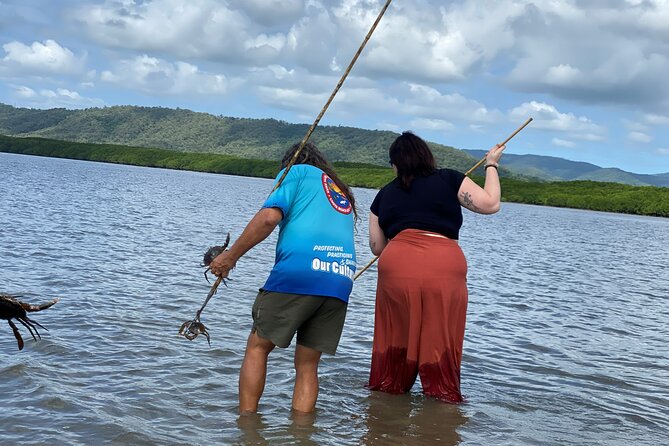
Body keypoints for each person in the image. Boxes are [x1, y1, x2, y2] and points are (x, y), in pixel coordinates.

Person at [209, 141, 357, 414]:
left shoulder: (295, 172)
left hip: (301, 272)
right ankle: (301, 434)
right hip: (340, 279)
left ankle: (247, 427)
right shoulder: (339, 189)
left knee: (257, 346)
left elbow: (268, 218)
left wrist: (231, 256)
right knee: (308, 364)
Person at [367, 131, 504, 402]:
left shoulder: (383, 195)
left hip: (398, 266)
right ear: (426, 157)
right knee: (440, 337)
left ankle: (387, 397)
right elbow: (491, 204)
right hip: (443, 265)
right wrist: (491, 164)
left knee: (395, 337)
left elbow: (377, 247)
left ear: (396, 163)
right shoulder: (449, 178)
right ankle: (441, 400)